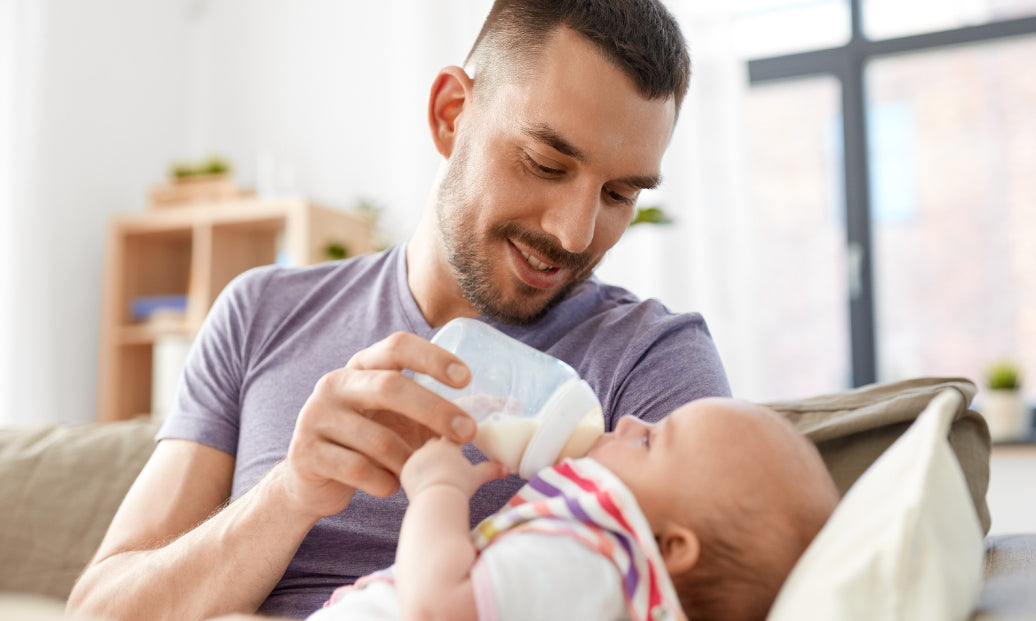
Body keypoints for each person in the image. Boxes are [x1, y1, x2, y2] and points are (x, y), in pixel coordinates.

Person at [67, 1, 731, 620]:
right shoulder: (262, 313)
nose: (575, 234)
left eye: (619, 194)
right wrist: (291, 493)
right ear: (450, 114)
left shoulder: (651, 359)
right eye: (545, 163)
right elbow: (99, 609)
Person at [307, 399, 840, 621]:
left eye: (651, 442)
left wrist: (438, 491)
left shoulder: (594, 562)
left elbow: (438, 608)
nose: (629, 421)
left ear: (670, 546)